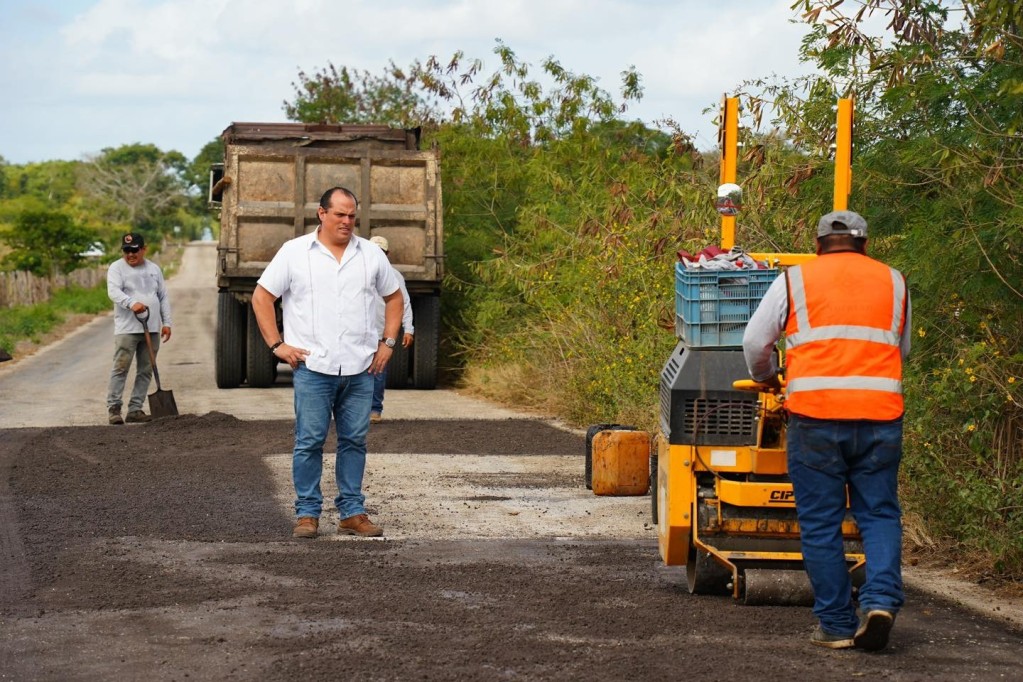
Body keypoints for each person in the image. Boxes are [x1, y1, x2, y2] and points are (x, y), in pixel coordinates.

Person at [742, 210, 911, 652]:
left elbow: (755, 342)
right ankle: (879, 602)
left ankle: (836, 625)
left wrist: (766, 375)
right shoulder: (894, 281)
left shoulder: (796, 280)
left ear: (817, 245)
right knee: (879, 513)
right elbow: (902, 348)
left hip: (815, 418)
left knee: (821, 523)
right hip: (880, 417)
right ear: (865, 244)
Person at [251, 186, 403, 540]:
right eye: (340, 214)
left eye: (352, 215)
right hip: (313, 369)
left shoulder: (370, 255)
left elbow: (394, 298)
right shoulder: (294, 253)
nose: (347, 221)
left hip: (361, 368)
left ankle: (351, 512)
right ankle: (307, 514)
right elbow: (262, 297)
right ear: (321, 214)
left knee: (354, 441)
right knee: (309, 442)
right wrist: (277, 344)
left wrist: (388, 343)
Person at [106, 232, 172, 425]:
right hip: (127, 329)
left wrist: (166, 323)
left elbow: (163, 296)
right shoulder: (116, 268)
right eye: (126, 250)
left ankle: (135, 409)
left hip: (151, 328)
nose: (130, 255)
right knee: (120, 368)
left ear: (143, 249)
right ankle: (114, 409)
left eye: (134, 250)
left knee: (146, 369)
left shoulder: (154, 269)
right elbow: (113, 292)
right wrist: (131, 303)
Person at [368, 235, 414, 424]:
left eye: (381, 252)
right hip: (359, 333)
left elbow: (404, 302)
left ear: (387, 254)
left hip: (382, 333)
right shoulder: (358, 272)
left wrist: (408, 328)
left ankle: (375, 409)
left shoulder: (394, 276)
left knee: (378, 372)